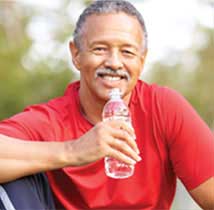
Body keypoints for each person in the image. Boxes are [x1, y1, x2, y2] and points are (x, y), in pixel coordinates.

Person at [0, 0, 213, 209]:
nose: (114, 62)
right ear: (76, 55)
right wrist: (73, 151)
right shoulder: (52, 120)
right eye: (100, 49)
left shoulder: (163, 107)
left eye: (127, 52)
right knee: (15, 174)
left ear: (142, 59)